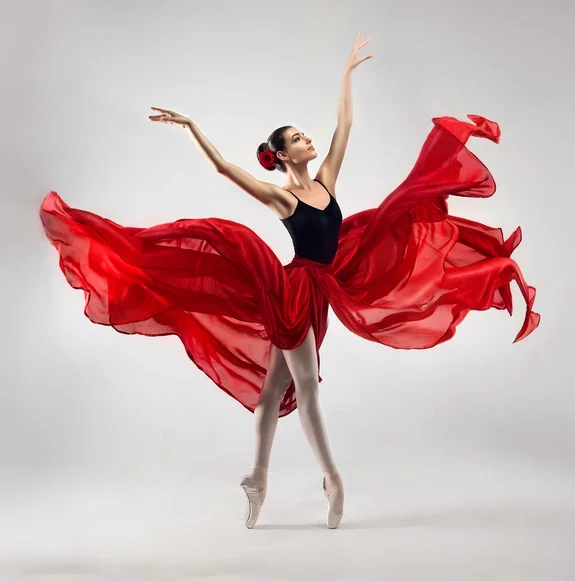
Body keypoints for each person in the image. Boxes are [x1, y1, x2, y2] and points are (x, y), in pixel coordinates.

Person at [38, 34, 540, 531]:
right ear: (281, 155)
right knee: (307, 386)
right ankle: (333, 478)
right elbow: (224, 168)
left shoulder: (325, 181)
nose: (309, 140)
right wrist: (192, 126)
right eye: (297, 139)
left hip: (324, 285)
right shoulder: (284, 198)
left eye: (305, 135)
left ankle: (257, 479)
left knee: (271, 392)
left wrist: (345, 75)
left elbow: (345, 125)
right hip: (294, 293)